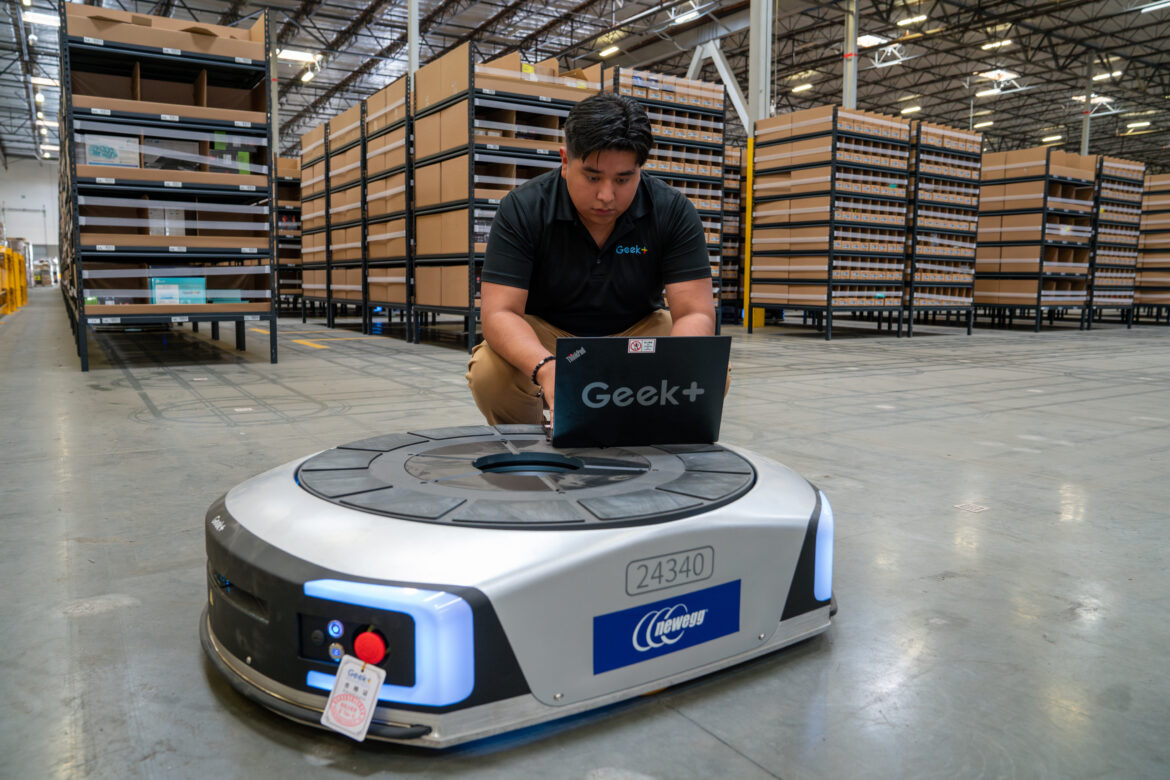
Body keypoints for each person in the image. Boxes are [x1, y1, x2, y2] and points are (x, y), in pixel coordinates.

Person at [466, 92, 716, 425]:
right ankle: (533, 444)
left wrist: (669, 370)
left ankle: (646, 436)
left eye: (623, 179)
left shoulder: (673, 211)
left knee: (709, 371)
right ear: (565, 161)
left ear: (640, 169)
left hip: (636, 334)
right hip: (547, 336)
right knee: (490, 375)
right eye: (593, 177)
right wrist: (547, 368)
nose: (606, 196)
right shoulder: (524, 208)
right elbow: (499, 312)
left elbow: (695, 312)